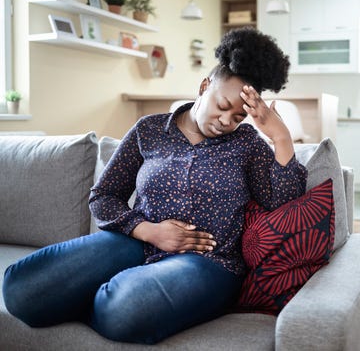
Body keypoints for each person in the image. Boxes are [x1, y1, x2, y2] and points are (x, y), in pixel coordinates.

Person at [2, 27, 307, 345]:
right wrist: (148, 231)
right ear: (204, 86)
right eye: (222, 105)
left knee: (122, 310)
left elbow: (283, 203)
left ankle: (104, 301)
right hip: (134, 244)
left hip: (208, 263)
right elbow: (104, 196)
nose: (225, 120)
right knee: (20, 289)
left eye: (238, 116)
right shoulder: (148, 130)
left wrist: (280, 138)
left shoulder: (247, 144)